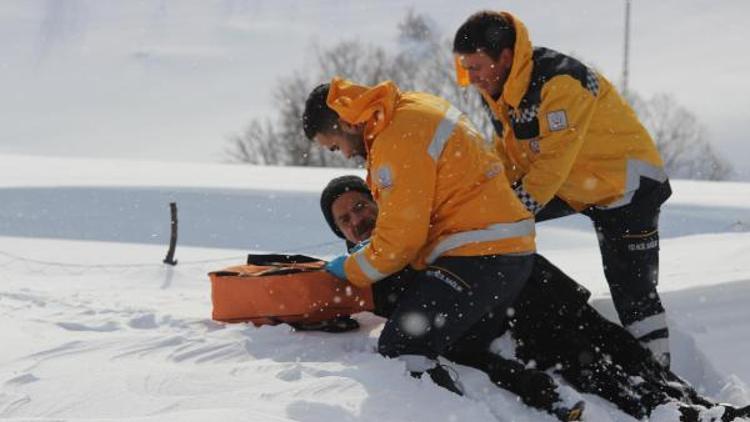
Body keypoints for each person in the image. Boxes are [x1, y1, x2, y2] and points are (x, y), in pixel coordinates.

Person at [318, 175, 750, 422]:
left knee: (615, 342)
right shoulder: (369, 269)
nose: (357, 219)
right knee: (586, 362)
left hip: (536, 286)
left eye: (360, 206)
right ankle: (669, 413)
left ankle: (703, 404)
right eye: (345, 219)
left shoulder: (419, 219)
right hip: (506, 316)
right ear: (340, 233)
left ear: (377, 201)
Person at [452, 11, 673, 367]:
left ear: (505, 57)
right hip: (576, 186)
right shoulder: (498, 88)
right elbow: (506, 152)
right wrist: (483, 198)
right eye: (465, 70)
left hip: (627, 186)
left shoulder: (559, 83)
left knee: (633, 291)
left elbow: (552, 164)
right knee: (492, 225)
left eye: (475, 67)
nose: (471, 79)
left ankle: (660, 373)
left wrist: (510, 209)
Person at [303, 77, 538, 400]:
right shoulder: (411, 108)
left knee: (403, 347)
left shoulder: (395, 138)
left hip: (478, 253)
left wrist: (352, 269)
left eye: (334, 145)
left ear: (345, 122)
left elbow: (402, 239)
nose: (342, 154)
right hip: (507, 250)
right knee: (461, 347)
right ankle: (543, 398)